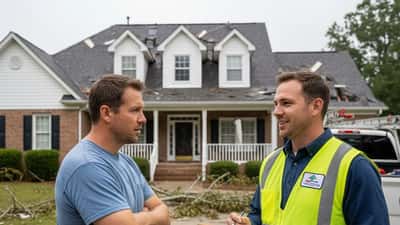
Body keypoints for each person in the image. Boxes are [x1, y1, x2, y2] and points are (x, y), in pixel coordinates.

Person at [227, 71, 389, 225]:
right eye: (275, 104)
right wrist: (248, 222)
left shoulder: (354, 167)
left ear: (316, 106)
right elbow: (259, 214)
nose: (276, 112)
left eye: (286, 103)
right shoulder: (270, 163)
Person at [55, 74, 170, 225]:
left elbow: (164, 214)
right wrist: (149, 217)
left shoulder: (127, 162)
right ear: (107, 113)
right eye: (135, 110)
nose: (143, 119)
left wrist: (137, 219)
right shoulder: (86, 165)